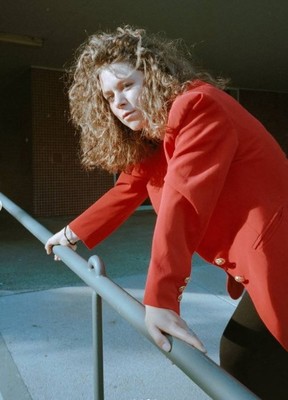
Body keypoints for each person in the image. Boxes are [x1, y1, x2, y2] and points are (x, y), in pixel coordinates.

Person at [45, 26, 288, 399]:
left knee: (246, 359)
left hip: (280, 252)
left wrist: (159, 299)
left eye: (126, 86)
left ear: (155, 76)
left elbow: (183, 202)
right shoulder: (154, 139)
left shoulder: (197, 106)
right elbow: (127, 189)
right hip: (266, 262)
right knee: (247, 359)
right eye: (109, 97)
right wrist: (71, 233)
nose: (119, 103)